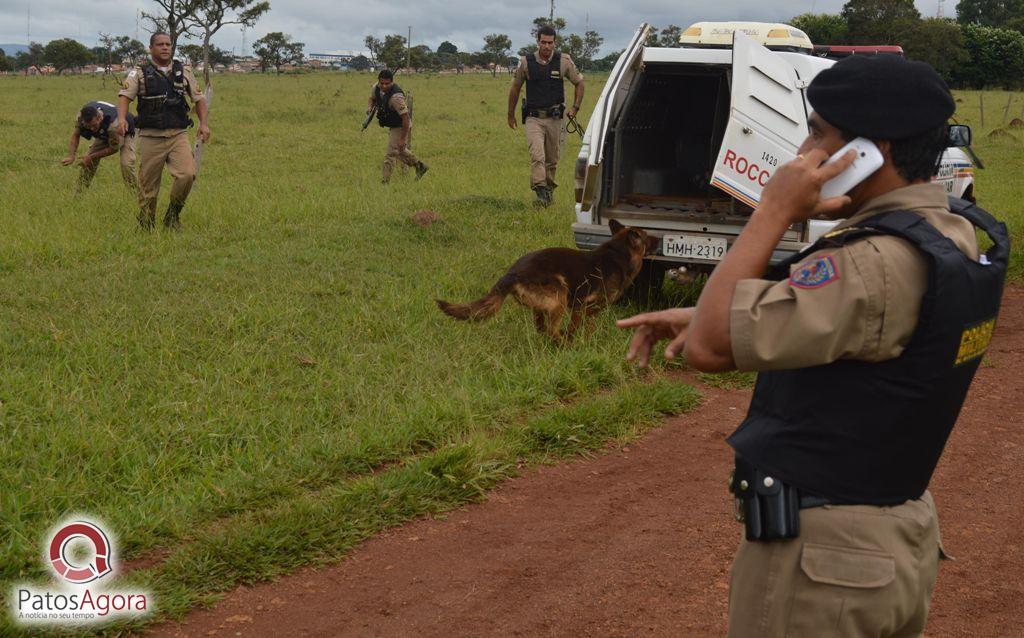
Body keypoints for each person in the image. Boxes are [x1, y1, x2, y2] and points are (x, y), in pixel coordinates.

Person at [617, 55, 1008, 637]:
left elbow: (709, 349)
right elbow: (869, 321)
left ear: (869, 152)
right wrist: (709, 312)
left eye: (818, 132)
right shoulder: (951, 233)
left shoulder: (867, 262)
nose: (803, 150)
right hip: (897, 542)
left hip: (824, 566)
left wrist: (773, 210)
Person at [116, 32, 210, 230]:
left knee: (187, 175)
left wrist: (203, 124)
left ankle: (172, 217)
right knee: (148, 188)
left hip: (178, 135)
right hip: (151, 137)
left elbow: (199, 99)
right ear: (151, 48)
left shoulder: (183, 71)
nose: (165, 47)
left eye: (168, 44)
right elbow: (125, 97)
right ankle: (147, 224)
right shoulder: (139, 73)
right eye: (160, 44)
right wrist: (122, 119)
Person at [507, 24, 584, 207]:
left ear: (555, 42)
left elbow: (579, 83)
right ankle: (540, 191)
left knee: (552, 159)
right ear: (538, 41)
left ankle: (548, 191)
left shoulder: (564, 61)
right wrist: (510, 114)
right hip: (533, 118)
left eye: (550, 43)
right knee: (537, 155)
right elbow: (515, 88)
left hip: (555, 118)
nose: (547, 46)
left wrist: (575, 107)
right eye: (543, 42)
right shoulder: (526, 62)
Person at [62, 101, 138, 193]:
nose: (92, 129)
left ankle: (136, 194)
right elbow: (76, 135)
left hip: (125, 131)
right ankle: (79, 194)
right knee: (88, 162)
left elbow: (114, 148)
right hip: (104, 133)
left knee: (126, 164)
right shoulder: (81, 117)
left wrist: (91, 157)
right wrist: (71, 155)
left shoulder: (113, 124)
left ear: (100, 118)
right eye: (88, 127)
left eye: (94, 126)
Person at [367, 69, 428, 184]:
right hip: (392, 123)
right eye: (382, 83)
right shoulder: (376, 87)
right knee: (399, 151)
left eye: (387, 83)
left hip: (401, 125)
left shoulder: (397, 98)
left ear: (392, 82)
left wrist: (402, 139)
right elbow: (372, 99)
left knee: (391, 153)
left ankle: (385, 181)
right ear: (379, 81)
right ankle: (420, 166)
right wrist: (370, 108)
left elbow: (406, 119)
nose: (384, 86)